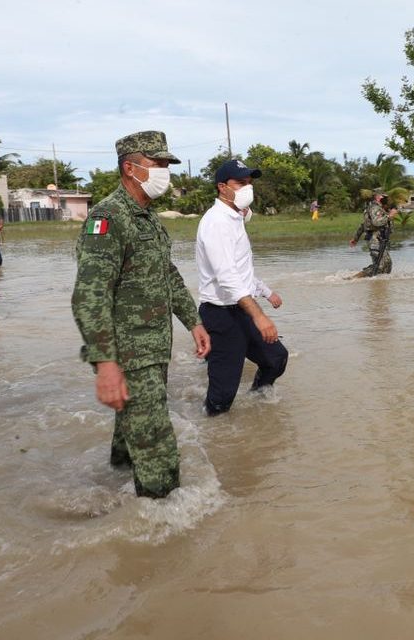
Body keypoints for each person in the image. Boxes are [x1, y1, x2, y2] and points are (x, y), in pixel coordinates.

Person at [71, 130, 210, 499]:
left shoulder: (147, 218)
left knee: (132, 428)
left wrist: (193, 320)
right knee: (155, 440)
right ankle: (164, 520)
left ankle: (113, 485)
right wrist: (105, 363)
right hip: (129, 352)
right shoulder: (108, 217)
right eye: (158, 164)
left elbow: (167, 274)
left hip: (152, 347)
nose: (165, 171)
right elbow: (89, 295)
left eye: (166, 164)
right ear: (129, 168)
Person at [195, 159, 289, 416]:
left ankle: (258, 401)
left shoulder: (234, 216)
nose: (248, 188)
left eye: (249, 183)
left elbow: (241, 270)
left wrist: (266, 291)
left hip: (241, 307)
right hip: (221, 313)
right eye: (240, 183)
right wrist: (259, 316)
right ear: (222, 187)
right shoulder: (217, 222)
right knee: (223, 395)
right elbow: (226, 277)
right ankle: (212, 435)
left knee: (276, 358)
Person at [350, 192, 396, 277]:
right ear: (378, 198)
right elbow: (376, 222)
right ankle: (355, 278)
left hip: (381, 238)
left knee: (387, 265)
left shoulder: (380, 208)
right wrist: (390, 216)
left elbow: (364, 225)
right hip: (374, 239)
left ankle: (378, 286)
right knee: (380, 265)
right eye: (384, 197)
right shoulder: (374, 208)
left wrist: (356, 238)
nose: (387, 199)